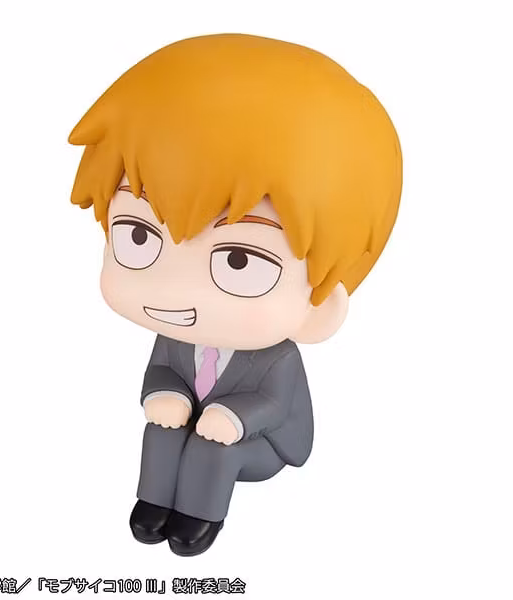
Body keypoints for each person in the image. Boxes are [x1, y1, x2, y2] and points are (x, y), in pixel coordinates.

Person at [68, 33, 402, 556]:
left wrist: (234, 419)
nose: (175, 291)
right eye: (138, 236)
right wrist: (163, 395)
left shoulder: (277, 357)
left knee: (215, 453)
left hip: (261, 442)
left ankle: (199, 517)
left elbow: (274, 404)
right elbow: (162, 372)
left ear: (320, 305)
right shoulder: (176, 334)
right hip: (195, 423)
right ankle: (152, 504)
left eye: (240, 261)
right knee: (160, 429)